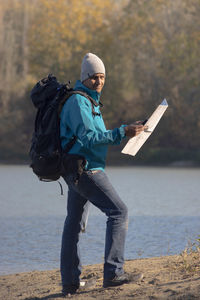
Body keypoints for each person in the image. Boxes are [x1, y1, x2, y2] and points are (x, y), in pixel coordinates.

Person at [60, 53, 146, 295]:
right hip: (85, 169)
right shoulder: (79, 102)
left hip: (78, 169)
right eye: (94, 77)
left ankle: (70, 282)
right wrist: (122, 132)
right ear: (84, 78)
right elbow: (89, 138)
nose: (99, 82)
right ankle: (114, 274)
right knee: (119, 212)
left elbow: (95, 135)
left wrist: (130, 130)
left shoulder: (90, 102)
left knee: (73, 224)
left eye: (102, 77)